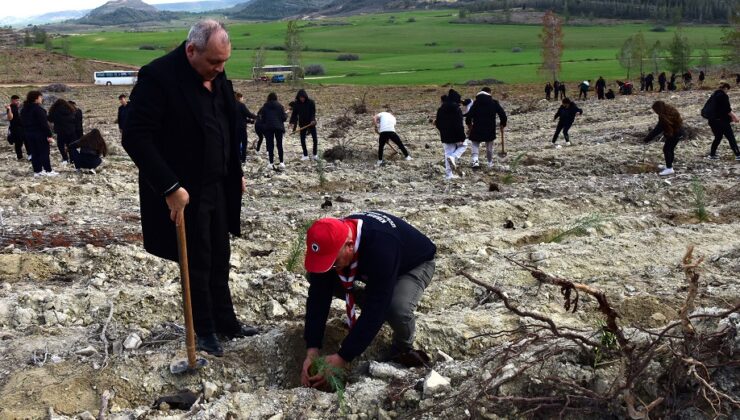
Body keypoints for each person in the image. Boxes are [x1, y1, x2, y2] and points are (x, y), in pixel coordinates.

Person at [122, 19, 258, 357]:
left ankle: (227, 323)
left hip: (218, 185)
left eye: (224, 61)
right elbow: (135, 137)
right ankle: (205, 330)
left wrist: (234, 170)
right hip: (184, 191)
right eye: (214, 61)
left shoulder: (216, 74)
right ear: (191, 49)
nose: (220, 68)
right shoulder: (158, 78)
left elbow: (226, 124)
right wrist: (169, 186)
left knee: (220, 257)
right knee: (197, 260)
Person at [300, 211, 437, 388]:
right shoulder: (331, 242)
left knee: (395, 308)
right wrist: (312, 349)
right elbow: (318, 298)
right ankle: (368, 296)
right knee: (317, 277)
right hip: (373, 269)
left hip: (413, 265)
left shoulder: (381, 246)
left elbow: (378, 305)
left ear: (349, 246)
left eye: (333, 263)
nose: (331, 267)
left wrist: (343, 356)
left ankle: (403, 345)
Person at [465, 87, 507, 169]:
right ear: (489, 93)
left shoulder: (475, 103)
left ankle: (475, 161)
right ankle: (490, 163)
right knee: (489, 147)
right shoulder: (494, 102)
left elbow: (468, 116)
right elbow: (502, 114)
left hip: (477, 127)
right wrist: (503, 123)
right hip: (490, 127)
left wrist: (469, 125)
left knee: (475, 144)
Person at [643, 101, 686, 176]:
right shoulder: (670, 110)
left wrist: (646, 139)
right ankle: (668, 165)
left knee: (667, 149)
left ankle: (669, 168)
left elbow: (657, 130)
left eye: (655, 110)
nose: (655, 112)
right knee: (670, 149)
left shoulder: (663, 117)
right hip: (678, 132)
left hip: (674, 134)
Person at [21, 91, 56, 177]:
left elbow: (22, 122)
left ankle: (37, 171)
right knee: (44, 152)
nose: (42, 99)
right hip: (40, 134)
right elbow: (44, 124)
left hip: (28, 134)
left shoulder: (24, 109)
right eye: (40, 97)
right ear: (36, 98)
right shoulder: (38, 109)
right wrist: (49, 135)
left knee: (34, 153)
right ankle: (48, 170)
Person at [435, 89, 468, 179]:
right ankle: (453, 157)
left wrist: (442, 130)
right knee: (464, 146)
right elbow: (459, 124)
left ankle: (448, 175)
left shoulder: (441, 109)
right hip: (456, 134)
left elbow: (437, 123)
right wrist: (462, 137)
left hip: (445, 134)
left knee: (447, 152)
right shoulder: (457, 109)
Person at [705, 83, 740, 161]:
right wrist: (735, 117)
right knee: (731, 138)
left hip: (712, 121)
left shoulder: (713, 95)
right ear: (725, 88)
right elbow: (727, 110)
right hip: (722, 121)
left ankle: (712, 155)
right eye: (728, 89)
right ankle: (738, 155)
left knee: (718, 137)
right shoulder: (723, 96)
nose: (727, 91)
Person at [258, 92, 288, 170]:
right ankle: (281, 162)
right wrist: (286, 115)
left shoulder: (265, 106)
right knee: (279, 144)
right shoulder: (280, 106)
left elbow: (262, 118)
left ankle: (271, 163)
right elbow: (284, 118)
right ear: (276, 98)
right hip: (279, 127)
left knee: (270, 145)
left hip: (268, 128)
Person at [290, 89, 319, 161]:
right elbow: (294, 114)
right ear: (298, 97)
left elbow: (313, 112)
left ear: (305, 97)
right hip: (302, 123)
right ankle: (305, 155)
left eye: (303, 97)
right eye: (300, 97)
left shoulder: (311, 102)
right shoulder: (296, 103)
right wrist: (292, 122)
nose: (302, 99)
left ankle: (315, 154)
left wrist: (312, 120)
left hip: (311, 123)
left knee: (315, 139)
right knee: (302, 139)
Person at [47, 98, 77, 165]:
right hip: (71, 130)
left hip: (60, 131)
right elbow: (75, 119)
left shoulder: (54, 110)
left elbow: (50, 119)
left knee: (60, 145)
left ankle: (65, 158)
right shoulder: (70, 109)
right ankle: (72, 159)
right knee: (71, 145)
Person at [235, 92, 257, 163]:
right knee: (244, 143)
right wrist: (256, 117)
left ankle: (237, 158)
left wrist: (250, 121)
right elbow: (248, 114)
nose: (242, 99)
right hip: (241, 127)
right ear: (239, 97)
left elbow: (241, 117)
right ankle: (243, 159)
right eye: (242, 97)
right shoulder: (241, 105)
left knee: (236, 143)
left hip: (233, 128)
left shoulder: (230, 105)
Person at [5, 94, 28, 160]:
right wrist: (9, 109)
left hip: (22, 127)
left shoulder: (18, 107)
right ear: (12, 101)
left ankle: (29, 154)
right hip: (16, 128)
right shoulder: (10, 107)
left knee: (27, 140)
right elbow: (10, 118)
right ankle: (19, 156)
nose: (18, 102)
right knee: (18, 142)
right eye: (16, 101)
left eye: (18, 100)